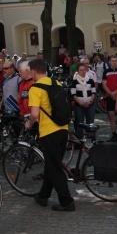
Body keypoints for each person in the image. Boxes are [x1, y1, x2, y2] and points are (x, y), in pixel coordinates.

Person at [26, 58, 75, 212]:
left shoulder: (35, 88)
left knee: (54, 168)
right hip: (63, 128)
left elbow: (34, 113)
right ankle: (43, 196)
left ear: (33, 71)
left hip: (49, 131)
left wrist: (29, 123)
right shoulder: (56, 83)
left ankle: (67, 201)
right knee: (51, 165)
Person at [70, 63, 97, 141]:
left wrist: (90, 101)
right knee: (80, 123)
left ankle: (93, 141)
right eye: (81, 70)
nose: (83, 71)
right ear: (77, 72)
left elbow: (94, 92)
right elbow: (73, 94)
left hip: (90, 104)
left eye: (84, 70)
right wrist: (80, 103)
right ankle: (80, 140)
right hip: (79, 105)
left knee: (91, 123)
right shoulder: (74, 82)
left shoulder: (90, 80)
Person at [103, 55, 117, 142]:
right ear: (110, 62)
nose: (114, 62)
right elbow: (104, 84)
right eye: (112, 61)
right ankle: (114, 134)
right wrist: (110, 93)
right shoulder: (106, 72)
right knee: (111, 115)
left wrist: (115, 93)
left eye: (115, 61)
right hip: (109, 96)